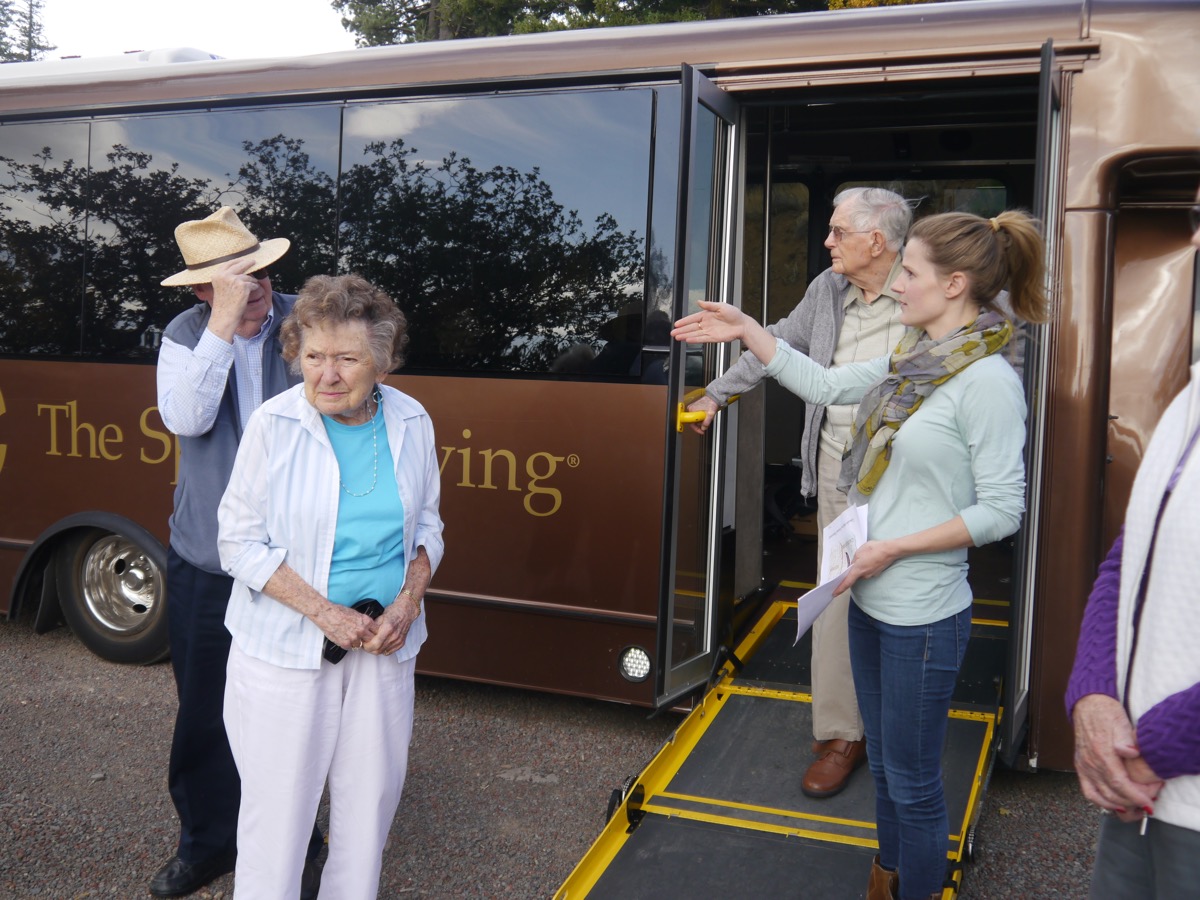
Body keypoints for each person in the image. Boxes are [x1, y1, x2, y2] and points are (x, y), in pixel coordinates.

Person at [672, 209, 1047, 900]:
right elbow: (828, 385)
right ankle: (888, 878)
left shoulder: (987, 382)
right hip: (874, 600)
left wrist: (893, 547)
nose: (898, 284)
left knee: (913, 783)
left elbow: (1003, 511)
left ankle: (913, 885)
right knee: (893, 778)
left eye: (911, 272)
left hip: (923, 618)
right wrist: (750, 332)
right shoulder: (915, 359)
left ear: (955, 284)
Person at [217, 273, 444, 898]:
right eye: (314, 357)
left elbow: (427, 525)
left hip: (384, 648)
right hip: (286, 654)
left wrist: (407, 602)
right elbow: (236, 542)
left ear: (382, 361)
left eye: (347, 358)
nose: (327, 375)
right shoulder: (274, 425)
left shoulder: (411, 419)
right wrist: (325, 614)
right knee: (277, 826)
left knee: (368, 815)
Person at [687, 186, 912, 798]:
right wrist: (716, 394)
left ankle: (901, 734)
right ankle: (843, 733)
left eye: (839, 231)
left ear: (877, 240)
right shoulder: (828, 289)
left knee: (905, 606)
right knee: (839, 600)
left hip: (914, 482)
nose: (827, 240)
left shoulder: (926, 287)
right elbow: (778, 346)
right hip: (845, 475)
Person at [153, 207, 323, 898]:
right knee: (204, 709)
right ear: (200, 290)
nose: (253, 287)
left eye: (255, 272)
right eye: (231, 280)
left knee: (296, 707)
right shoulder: (188, 332)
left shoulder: (306, 323)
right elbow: (186, 418)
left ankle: (298, 841)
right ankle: (207, 843)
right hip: (208, 559)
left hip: (297, 560)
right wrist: (221, 327)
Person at [1064, 193, 1200, 899]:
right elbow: (1130, 558)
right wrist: (1091, 693)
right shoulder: (1191, 397)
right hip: (1141, 792)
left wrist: (1153, 746)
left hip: (1169, 780)